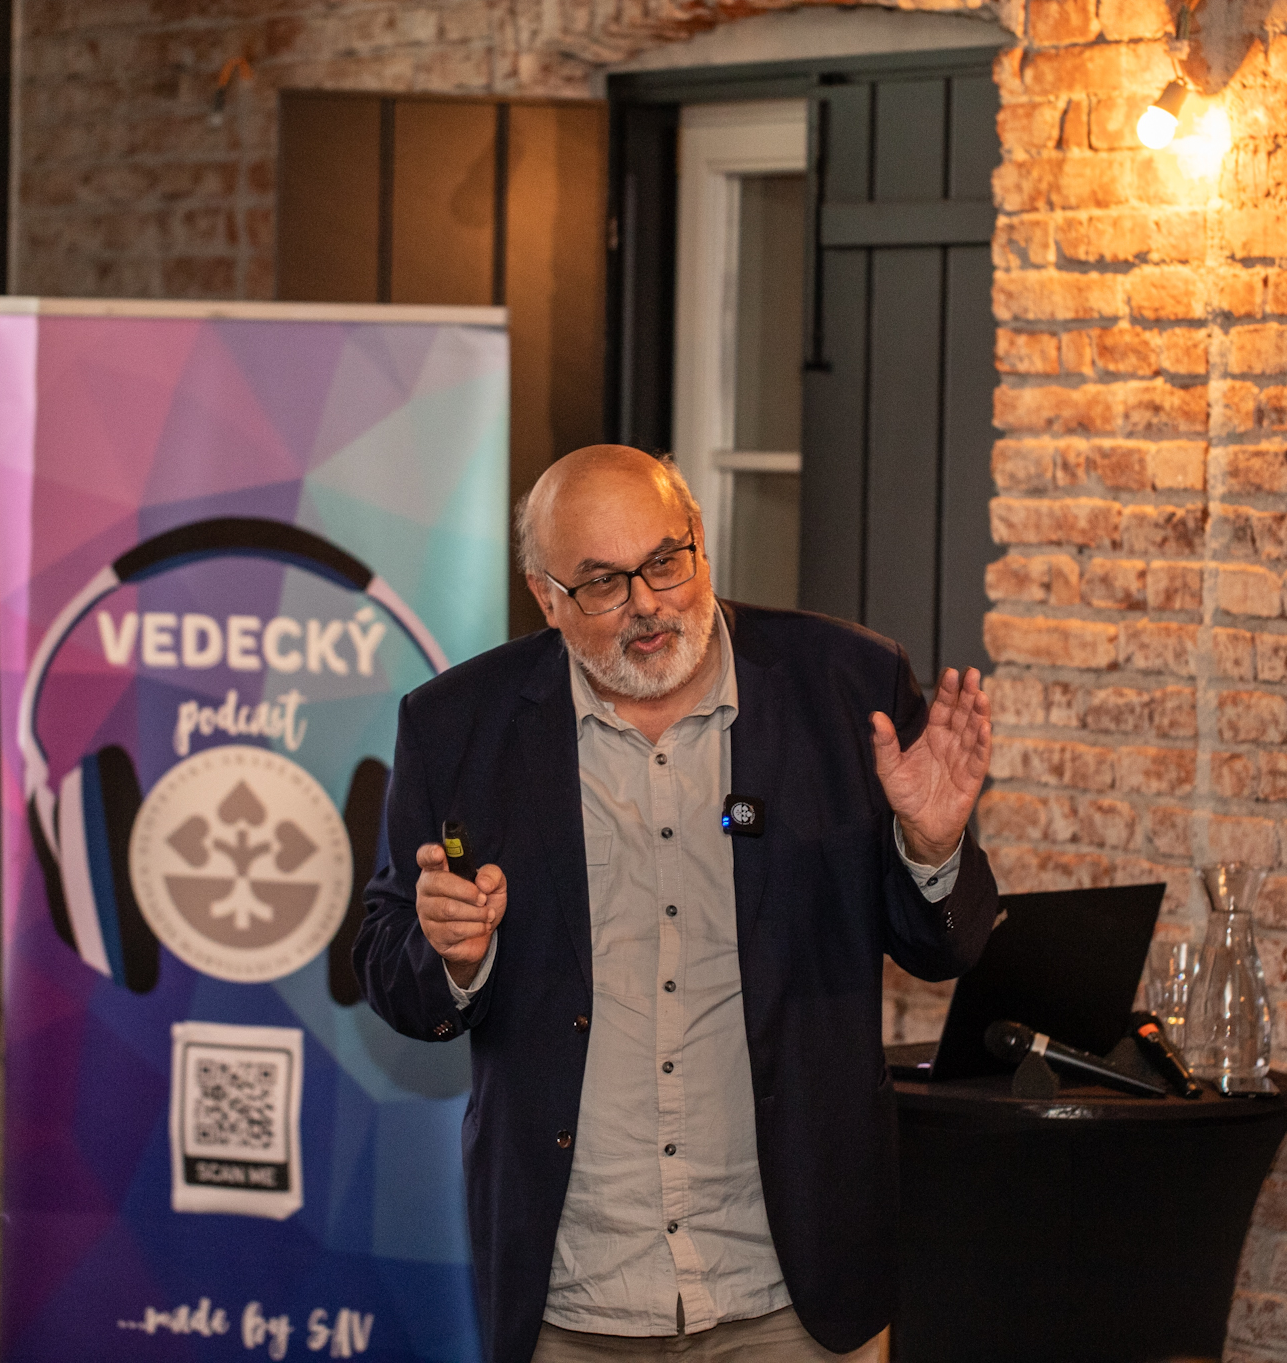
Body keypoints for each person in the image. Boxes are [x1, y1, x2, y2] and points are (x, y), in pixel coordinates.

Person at [354, 445, 1000, 1363]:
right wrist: (454, 954)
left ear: (700, 537)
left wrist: (931, 849)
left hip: (795, 1291)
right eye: (602, 583)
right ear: (545, 597)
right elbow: (390, 963)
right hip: (576, 1296)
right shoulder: (458, 724)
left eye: (665, 560)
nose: (647, 602)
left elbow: (943, 946)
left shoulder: (847, 686)